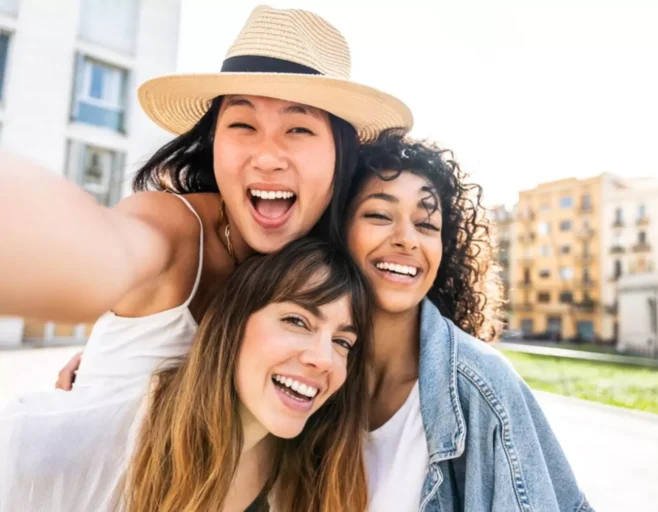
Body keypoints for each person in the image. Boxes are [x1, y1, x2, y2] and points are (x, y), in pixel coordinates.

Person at [0, 5, 411, 389]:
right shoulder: (172, 227)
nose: (267, 157)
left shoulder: (333, 262)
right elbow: (99, 250)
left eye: (298, 129)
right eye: (242, 125)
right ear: (214, 140)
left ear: (345, 151)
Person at [0, 238, 372, 512]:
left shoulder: (306, 470)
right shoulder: (63, 444)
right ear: (231, 325)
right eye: (297, 321)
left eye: (343, 342)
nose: (324, 359)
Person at [345, 131, 594, 511]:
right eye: (379, 215)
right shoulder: (309, 371)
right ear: (339, 229)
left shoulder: (482, 387)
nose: (407, 240)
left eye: (427, 225)